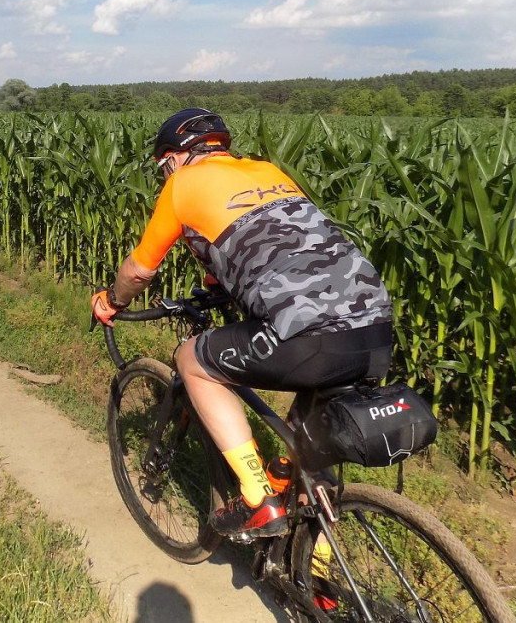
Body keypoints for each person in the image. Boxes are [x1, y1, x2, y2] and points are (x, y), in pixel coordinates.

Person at [91, 108, 393, 538]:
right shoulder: (268, 171)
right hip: (375, 326)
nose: (164, 175)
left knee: (191, 360)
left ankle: (257, 496)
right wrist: (219, 283)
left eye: (163, 167)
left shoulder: (182, 185)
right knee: (306, 450)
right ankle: (319, 575)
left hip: (309, 333)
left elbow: (139, 271)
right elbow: (281, 239)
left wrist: (112, 302)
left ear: (175, 158)